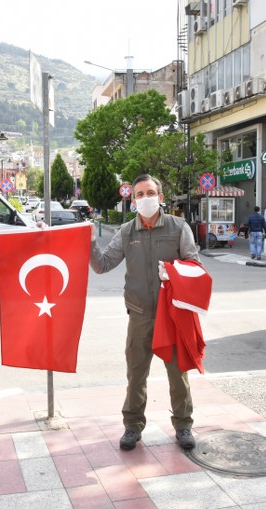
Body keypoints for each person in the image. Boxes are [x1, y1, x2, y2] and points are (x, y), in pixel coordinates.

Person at [90, 174, 199, 452]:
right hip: (139, 314)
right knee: (136, 373)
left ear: (160, 197)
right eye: (139, 194)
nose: (145, 198)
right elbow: (102, 265)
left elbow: (194, 264)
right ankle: (132, 427)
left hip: (172, 314)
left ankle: (183, 425)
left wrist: (173, 273)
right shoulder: (127, 232)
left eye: (150, 193)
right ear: (133, 199)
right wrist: (89, 242)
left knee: (178, 373)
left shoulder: (178, 227)